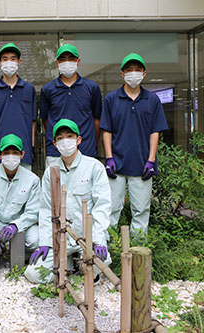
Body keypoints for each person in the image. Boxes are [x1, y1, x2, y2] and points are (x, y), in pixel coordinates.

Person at [24, 119, 111, 284]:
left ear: (78, 140)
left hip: (88, 237)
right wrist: (45, 242)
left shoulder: (94, 167)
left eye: (70, 136)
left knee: (98, 268)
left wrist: (98, 239)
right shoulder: (51, 171)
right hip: (60, 238)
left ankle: (74, 263)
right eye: (60, 138)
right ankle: (68, 263)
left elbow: (102, 206)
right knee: (34, 274)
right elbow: (45, 208)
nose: (65, 141)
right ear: (55, 143)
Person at [100, 53, 168, 237]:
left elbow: (155, 131)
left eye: (138, 70)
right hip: (117, 164)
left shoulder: (152, 100)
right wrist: (109, 157)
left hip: (142, 165)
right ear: (122, 74)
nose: (133, 73)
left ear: (144, 74)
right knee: (112, 208)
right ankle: (109, 248)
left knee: (141, 210)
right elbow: (107, 130)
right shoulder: (111, 99)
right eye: (129, 70)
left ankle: (138, 250)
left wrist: (151, 160)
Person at [0, 134, 40, 263]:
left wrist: (16, 225)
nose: (11, 156)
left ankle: (18, 255)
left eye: (15, 152)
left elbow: (33, 212)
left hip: (20, 222)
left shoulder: (32, 179)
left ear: (22, 154)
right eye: (6, 153)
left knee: (35, 241)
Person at [40, 44, 102, 167]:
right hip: (56, 152)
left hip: (86, 150)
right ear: (57, 63)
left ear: (78, 62)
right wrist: (60, 139)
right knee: (56, 185)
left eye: (71, 59)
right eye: (63, 59)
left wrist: (91, 143)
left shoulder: (92, 87)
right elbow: (46, 120)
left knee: (85, 185)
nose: (67, 62)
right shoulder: (48, 89)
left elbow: (97, 120)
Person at [0, 43, 36, 170]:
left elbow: (33, 122)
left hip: (23, 151)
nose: (9, 62)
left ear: (19, 62)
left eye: (13, 59)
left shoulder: (29, 90)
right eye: (5, 59)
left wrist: (32, 147)